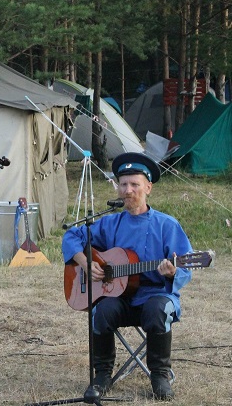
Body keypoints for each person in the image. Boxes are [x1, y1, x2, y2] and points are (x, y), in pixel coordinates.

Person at [61, 152, 192, 400]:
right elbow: (71, 236)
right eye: (123, 184)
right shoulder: (110, 223)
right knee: (101, 311)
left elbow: (185, 267)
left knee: (158, 309)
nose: (128, 190)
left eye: (135, 184)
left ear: (148, 188)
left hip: (154, 295)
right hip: (119, 298)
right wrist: (86, 263)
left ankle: (159, 376)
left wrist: (173, 271)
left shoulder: (167, 225)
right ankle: (101, 375)